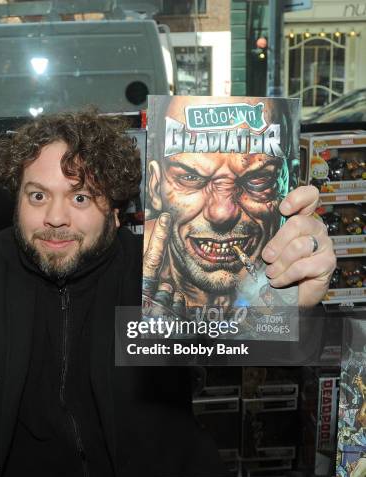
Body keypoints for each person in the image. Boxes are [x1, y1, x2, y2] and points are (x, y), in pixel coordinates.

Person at [0, 110, 335, 477]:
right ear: (16, 202)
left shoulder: (160, 271)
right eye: (37, 195)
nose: (55, 217)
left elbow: (258, 342)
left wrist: (288, 293)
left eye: (80, 196)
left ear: (116, 208)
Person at [143, 96, 335, 316]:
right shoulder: (126, 269)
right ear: (155, 185)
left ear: (288, 182)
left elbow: (302, 348)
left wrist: (301, 309)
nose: (222, 212)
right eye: (190, 177)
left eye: (257, 179)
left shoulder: (289, 279)